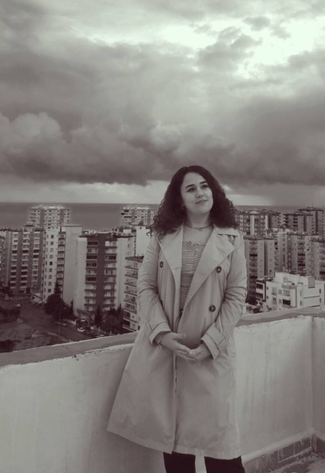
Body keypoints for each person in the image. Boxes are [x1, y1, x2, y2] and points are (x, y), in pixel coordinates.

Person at [107, 165, 247, 473]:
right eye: (191, 189)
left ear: (214, 191)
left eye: (205, 186)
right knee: (176, 453)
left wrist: (211, 342)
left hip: (210, 355)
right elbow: (145, 287)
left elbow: (237, 296)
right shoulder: (162, 237)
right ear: (180, 200)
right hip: (168, 355)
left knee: (224, 455)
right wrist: (161, 333)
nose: (200, 193)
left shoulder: (232, 238)